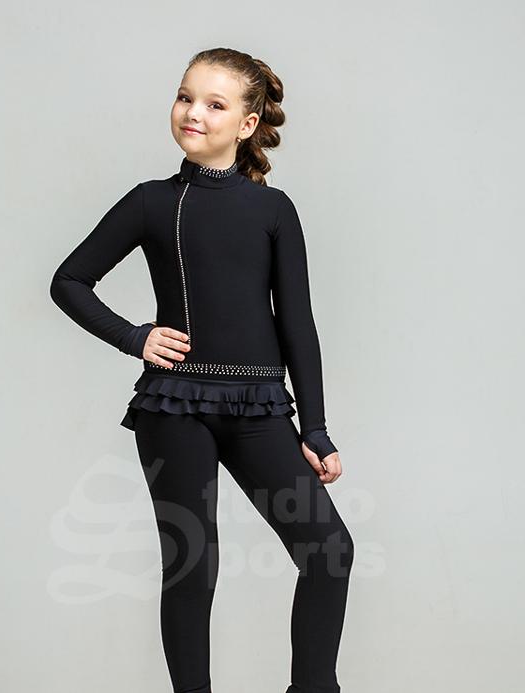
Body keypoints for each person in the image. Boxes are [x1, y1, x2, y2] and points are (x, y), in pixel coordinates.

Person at [50, 47, 354, 693]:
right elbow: (69, 281)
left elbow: (297, 323)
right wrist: (133, 337)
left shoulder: (273, 210)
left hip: (259, 407)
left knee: (329, 550)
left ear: (247, 124)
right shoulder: (151, 202)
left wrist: (315, 427)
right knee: (192, 567)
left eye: (215, 104)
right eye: (185, 96)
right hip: (175, 407)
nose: (193, 112)